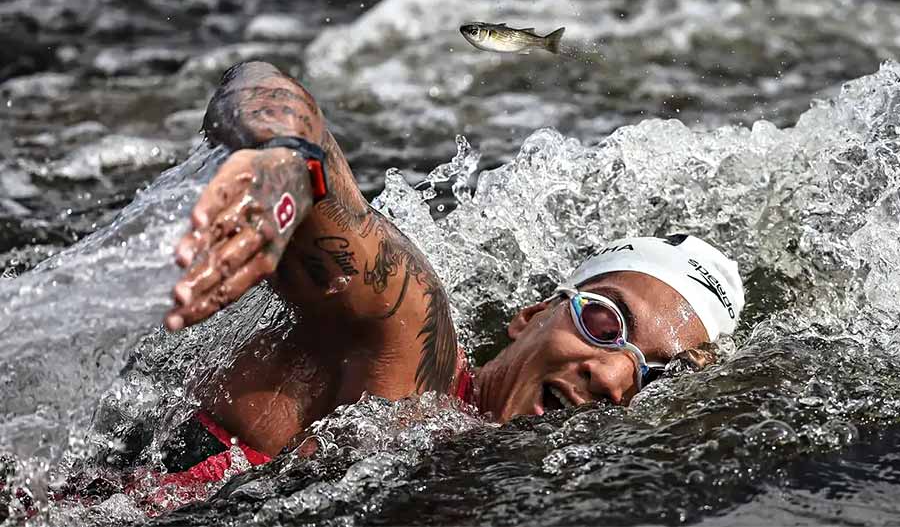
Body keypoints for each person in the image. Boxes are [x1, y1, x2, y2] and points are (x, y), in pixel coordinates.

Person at [157, 61, 745, 486]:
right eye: (605, 320)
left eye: (653, 376)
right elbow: (270, 88)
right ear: (533, 314)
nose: (615, 376)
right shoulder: (409, 344)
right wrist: (282, 157)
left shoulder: (490, 477)